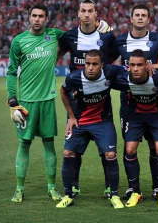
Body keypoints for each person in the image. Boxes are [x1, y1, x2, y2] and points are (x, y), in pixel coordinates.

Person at [58, 0, 118, 198]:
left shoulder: (106, 37)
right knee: (74, 146)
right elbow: (57, 53)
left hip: (100, 97)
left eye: (90, 11)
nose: (86, 14)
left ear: (95, 14)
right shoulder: (69, 36)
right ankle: (73, 185)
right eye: (82, 10)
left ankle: (110, 186)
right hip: (76, 100)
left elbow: (113, 57)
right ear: (78, 13)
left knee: (106, 149)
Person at [115, 4, 158, 200]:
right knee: (129, 147)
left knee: (154, 147)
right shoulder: (119, 40)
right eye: (136, 15)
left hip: (154, 100)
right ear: (131, 18)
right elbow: (103, 59)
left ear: (148, 20)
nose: (140, 18)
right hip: (129, 103)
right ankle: (134, 189)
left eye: (144, 15)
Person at [7, 3, 64, 203]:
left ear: (46, 18)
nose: (37, 19)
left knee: (49, 145)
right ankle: (19, 189)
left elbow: (76, 38)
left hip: (48, 100)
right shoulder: (19, 41)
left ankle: (51, 188)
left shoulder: (55, 35)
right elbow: (12, 71)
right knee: (24, 144)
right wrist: (12, 99)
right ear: (29, 18)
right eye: (34, 15)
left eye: (41, 16)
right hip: (27, 103)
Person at [56, 49, 125, 209]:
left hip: (103, 122)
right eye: (88, 64)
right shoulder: (74, 77)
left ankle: (114, 195)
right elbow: (63, 91)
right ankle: (68, 195)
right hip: (80, 122)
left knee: (111, 154)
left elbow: (128, 70)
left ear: (102, 65)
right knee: (68, 153)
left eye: (95, 64)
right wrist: (71, 117)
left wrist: (149, 65)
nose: (91, 67)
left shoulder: (110, 72)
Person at [122, 49, 158, 208]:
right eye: (133, 65)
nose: (136, 68)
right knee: (129, 150)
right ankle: (136, 192)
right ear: (128, 66)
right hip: (136, 116)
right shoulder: (122, 78)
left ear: (146, 65)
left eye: (140, 65)